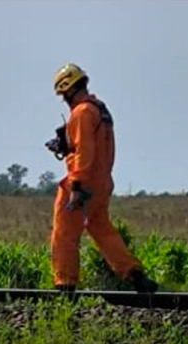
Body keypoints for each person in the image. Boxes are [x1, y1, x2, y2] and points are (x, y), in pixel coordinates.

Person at [47, 63, 158, 295]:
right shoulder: (100, 111)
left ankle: (65, 287)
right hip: (101, 183)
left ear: (68, 88)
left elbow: (85, 151)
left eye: (63, 94)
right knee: (102, 231)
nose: (64, 100)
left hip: (81, 183)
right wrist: (66, 146)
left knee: (64, 232)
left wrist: (76, 184)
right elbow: (97, 148)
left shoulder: (81, 113)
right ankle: (136, 277)